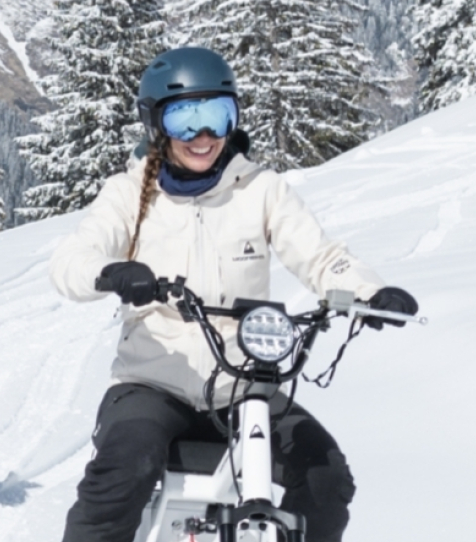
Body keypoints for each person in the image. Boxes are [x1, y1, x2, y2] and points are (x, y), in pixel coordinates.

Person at [49, 47, 420, 542]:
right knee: (122, 472)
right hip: (153, 383)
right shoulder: (127, 194)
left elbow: (320, 256)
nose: (203, 136)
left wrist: (370, 291)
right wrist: (113, 272)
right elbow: (71, 261)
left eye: (217, 116)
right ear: (157, 124)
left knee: (327, 478)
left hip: (245, 386)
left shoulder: (261, 189)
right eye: (186, 119)